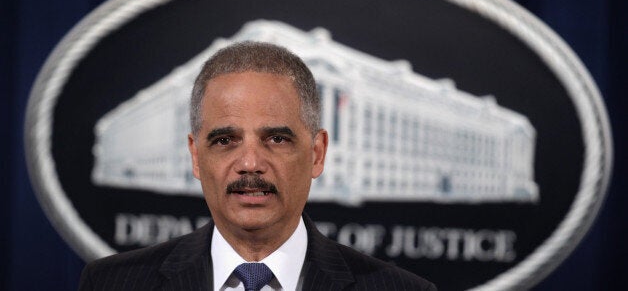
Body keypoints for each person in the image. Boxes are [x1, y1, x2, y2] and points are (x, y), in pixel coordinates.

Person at [78, 41, 436, 291]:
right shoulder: (112, 283)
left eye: (276, 139)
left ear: (316, 154)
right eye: (224, 141)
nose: (250, 163)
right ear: (195, 156)